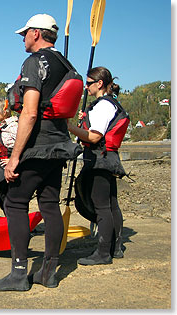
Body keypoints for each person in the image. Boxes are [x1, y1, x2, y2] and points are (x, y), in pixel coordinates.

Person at [0, 14, 82, 291]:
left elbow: (29, 113)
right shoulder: (65, 63)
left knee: (14, 203)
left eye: (24, 33)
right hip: (59, 144)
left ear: (37, 33)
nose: (22, 38)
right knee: (49, 204)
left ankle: (18, 274)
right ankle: (48, 272)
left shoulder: (34, 62)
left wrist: (14, 157)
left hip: (38, 145)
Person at [67, 66, 129, 265]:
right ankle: (115, 248)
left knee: (102, 206)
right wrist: (82, 124)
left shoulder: (103, 106)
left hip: (99, 159)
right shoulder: (109, 104)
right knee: (111, 204)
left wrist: (70, 127)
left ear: (100, 83)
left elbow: (94, 136)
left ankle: (103, 253)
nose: (86, 87)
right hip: (108, 158)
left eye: (89, 83)